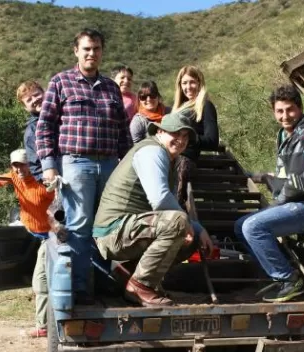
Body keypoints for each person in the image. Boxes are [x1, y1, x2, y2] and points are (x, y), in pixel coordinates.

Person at [36, 28, 132, 305]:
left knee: (112, 225)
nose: (92, 53)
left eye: (97, 49)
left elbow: (124, 133)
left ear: (102, 52)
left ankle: (107, 285)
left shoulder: (112, 87)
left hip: (111, 164)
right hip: (76, 163)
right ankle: (80, 290)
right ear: (76, 51)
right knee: (79, 226)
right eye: (87, 49)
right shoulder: (61, 82)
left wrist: (128, 166)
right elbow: (44, 127)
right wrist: (49, 166)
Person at [93, 112, 214, 307]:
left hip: (128, 229)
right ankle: (140, 285)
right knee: (178, 222)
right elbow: (160, 200)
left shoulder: (169, 159)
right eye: (175, 133)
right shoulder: (153, 151)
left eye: (185, 136)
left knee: (190, 238)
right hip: (113, 231)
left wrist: (199, 230)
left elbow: (170, 202)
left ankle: (131, 272)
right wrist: (189, 224)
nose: (181, 140)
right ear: (160, 131)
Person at [234, 85, 304, 303]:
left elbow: (298, 183)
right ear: (274, 112)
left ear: (299, 108)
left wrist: (273, 206)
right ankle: (277, 276)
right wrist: (254, 176)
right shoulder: (285, 135)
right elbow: (282, 177)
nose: (285, 116)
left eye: (290, 110)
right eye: (279, 111)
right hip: (298, 203)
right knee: (240, 226)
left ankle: (289, 278)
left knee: (253, 226)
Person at [0, 149, 55, 338]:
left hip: (50, 237)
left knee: (39, 282)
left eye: (23, 164)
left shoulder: (46, 183)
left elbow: (59, 207)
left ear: (32, 164)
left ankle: (44, 326)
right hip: (30, 234)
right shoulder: (14, 177)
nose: (19, 169)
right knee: (36, 277)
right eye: (15, 165)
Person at [172, 65, 219, 207]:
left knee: (176, 204)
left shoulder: (206, 106)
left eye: (192, 82)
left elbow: (212, 141)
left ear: (200, 83)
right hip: (170, 159)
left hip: (184, 162)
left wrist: (188, 138)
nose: (188, 87)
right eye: (184, 83)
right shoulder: (178, 108)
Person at [16, 80, 45, 182]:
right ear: (25, 108)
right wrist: (51, 183)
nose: (35, 100)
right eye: (29, 100)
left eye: (36, 95)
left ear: (44, 93)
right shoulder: (32, 131)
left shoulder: (66, 114)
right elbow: (35, 166)